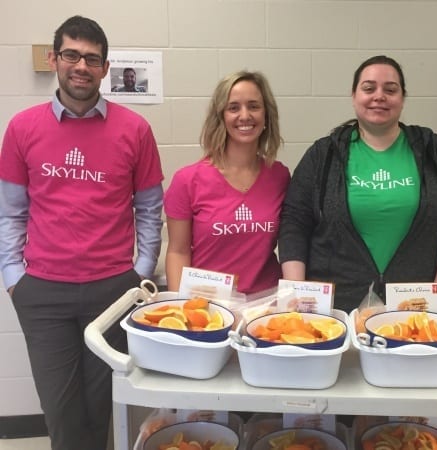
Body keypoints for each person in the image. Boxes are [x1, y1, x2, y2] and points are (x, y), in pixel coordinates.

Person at [0, 16, 164, 450]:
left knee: (104, 407)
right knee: (61, 412)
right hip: (43, 294)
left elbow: (149, 210)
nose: (81, 66)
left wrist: (140, 276)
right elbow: (10, 213)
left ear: (106, 68)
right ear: (55, 59)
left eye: (92, 58)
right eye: (71, 54)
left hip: (113, 292)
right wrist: (14, 279)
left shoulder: (135, 130)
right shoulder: (22, 128)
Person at [278, 55, 437, 312]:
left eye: (390, 89)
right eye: (369, 88)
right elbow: (294, 219)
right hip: (337, 307)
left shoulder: (432, 149)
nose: (379, 96)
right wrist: (296, 289)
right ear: (354, 96)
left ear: (402, 98)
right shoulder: (324, 154)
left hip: (416, 304)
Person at [164, 71, 290, 294]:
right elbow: (178, 251)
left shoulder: (280, 176)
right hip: (210, 305)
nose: (245, 116)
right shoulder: (187, 180)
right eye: (233, 108)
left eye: (253, 106)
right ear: (221, 116)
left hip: (266, 307)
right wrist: (179, 306)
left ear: (266, 114)